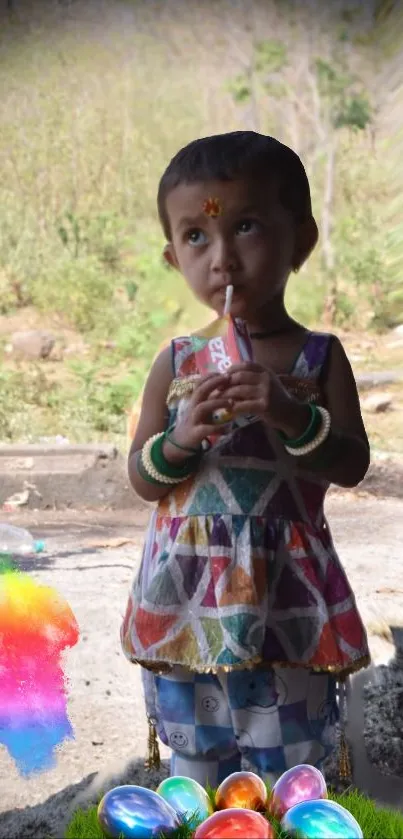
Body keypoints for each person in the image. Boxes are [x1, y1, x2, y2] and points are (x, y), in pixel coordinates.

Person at [121, 131, 370, 788]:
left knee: (288, 754)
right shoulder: (176, 363)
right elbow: (143, 478)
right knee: (197, 754)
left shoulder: (317, 360)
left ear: (302, 239)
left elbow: (349, 463)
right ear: (173, 257)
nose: (223, 258)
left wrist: (290, 414)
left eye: (248, 226)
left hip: (283, 592)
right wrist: (180, 442)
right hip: (188, 594)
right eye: (197, 238)